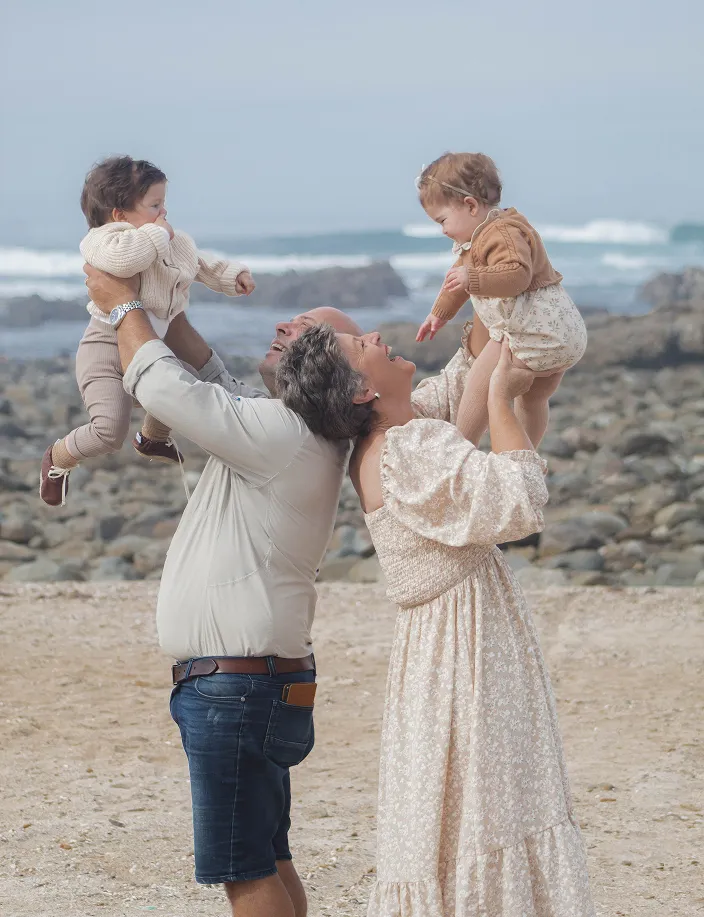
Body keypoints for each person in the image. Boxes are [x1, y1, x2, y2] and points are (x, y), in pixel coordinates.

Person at [276, 325, 596, 916]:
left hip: (437, 645)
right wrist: (502, 398)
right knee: (492, 803)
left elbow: (466, 371)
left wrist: (486, 280)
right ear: (359, 391)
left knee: (455, 811)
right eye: (359, 344)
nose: (374, 334)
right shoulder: (410, 446)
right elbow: (519, 500)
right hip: (469, 646)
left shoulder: (391, 437)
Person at [82, 264, 366, 917]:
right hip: (258, 682)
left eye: (308, 330)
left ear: (326, 368)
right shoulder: (290, 430)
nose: (282, 325)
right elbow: (207, 374)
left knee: (246, 869)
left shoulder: (278, 435)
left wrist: (122, 305)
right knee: (267, 856)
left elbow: (162, 383)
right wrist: (168, 304)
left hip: (236, 689)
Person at [40, 155, 255, 507]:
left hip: (150, 345)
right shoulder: (104, 240)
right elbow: (123, 261)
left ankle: (152, 438)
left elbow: (200, 263)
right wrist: (156, 233)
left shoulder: (169, 238)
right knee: (108, 432)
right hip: (106, 347)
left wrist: (232, 276)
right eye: (154, 205)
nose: (164, 214)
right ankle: (58, 457)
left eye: (164, 204)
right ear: (119, 216)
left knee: (185, 389)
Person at [415, 151, 588, 448]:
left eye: (442, 220)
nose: (442, 230)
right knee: (533, 398)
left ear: (470, 205)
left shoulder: (503, 233)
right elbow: (456, 280)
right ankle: (525, 458)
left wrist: (473, 280)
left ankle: (460, 451)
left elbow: (517, 275)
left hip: (533, 333)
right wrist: (439, 313)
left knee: (480, 383)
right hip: (560, 336)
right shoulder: (475, 238)